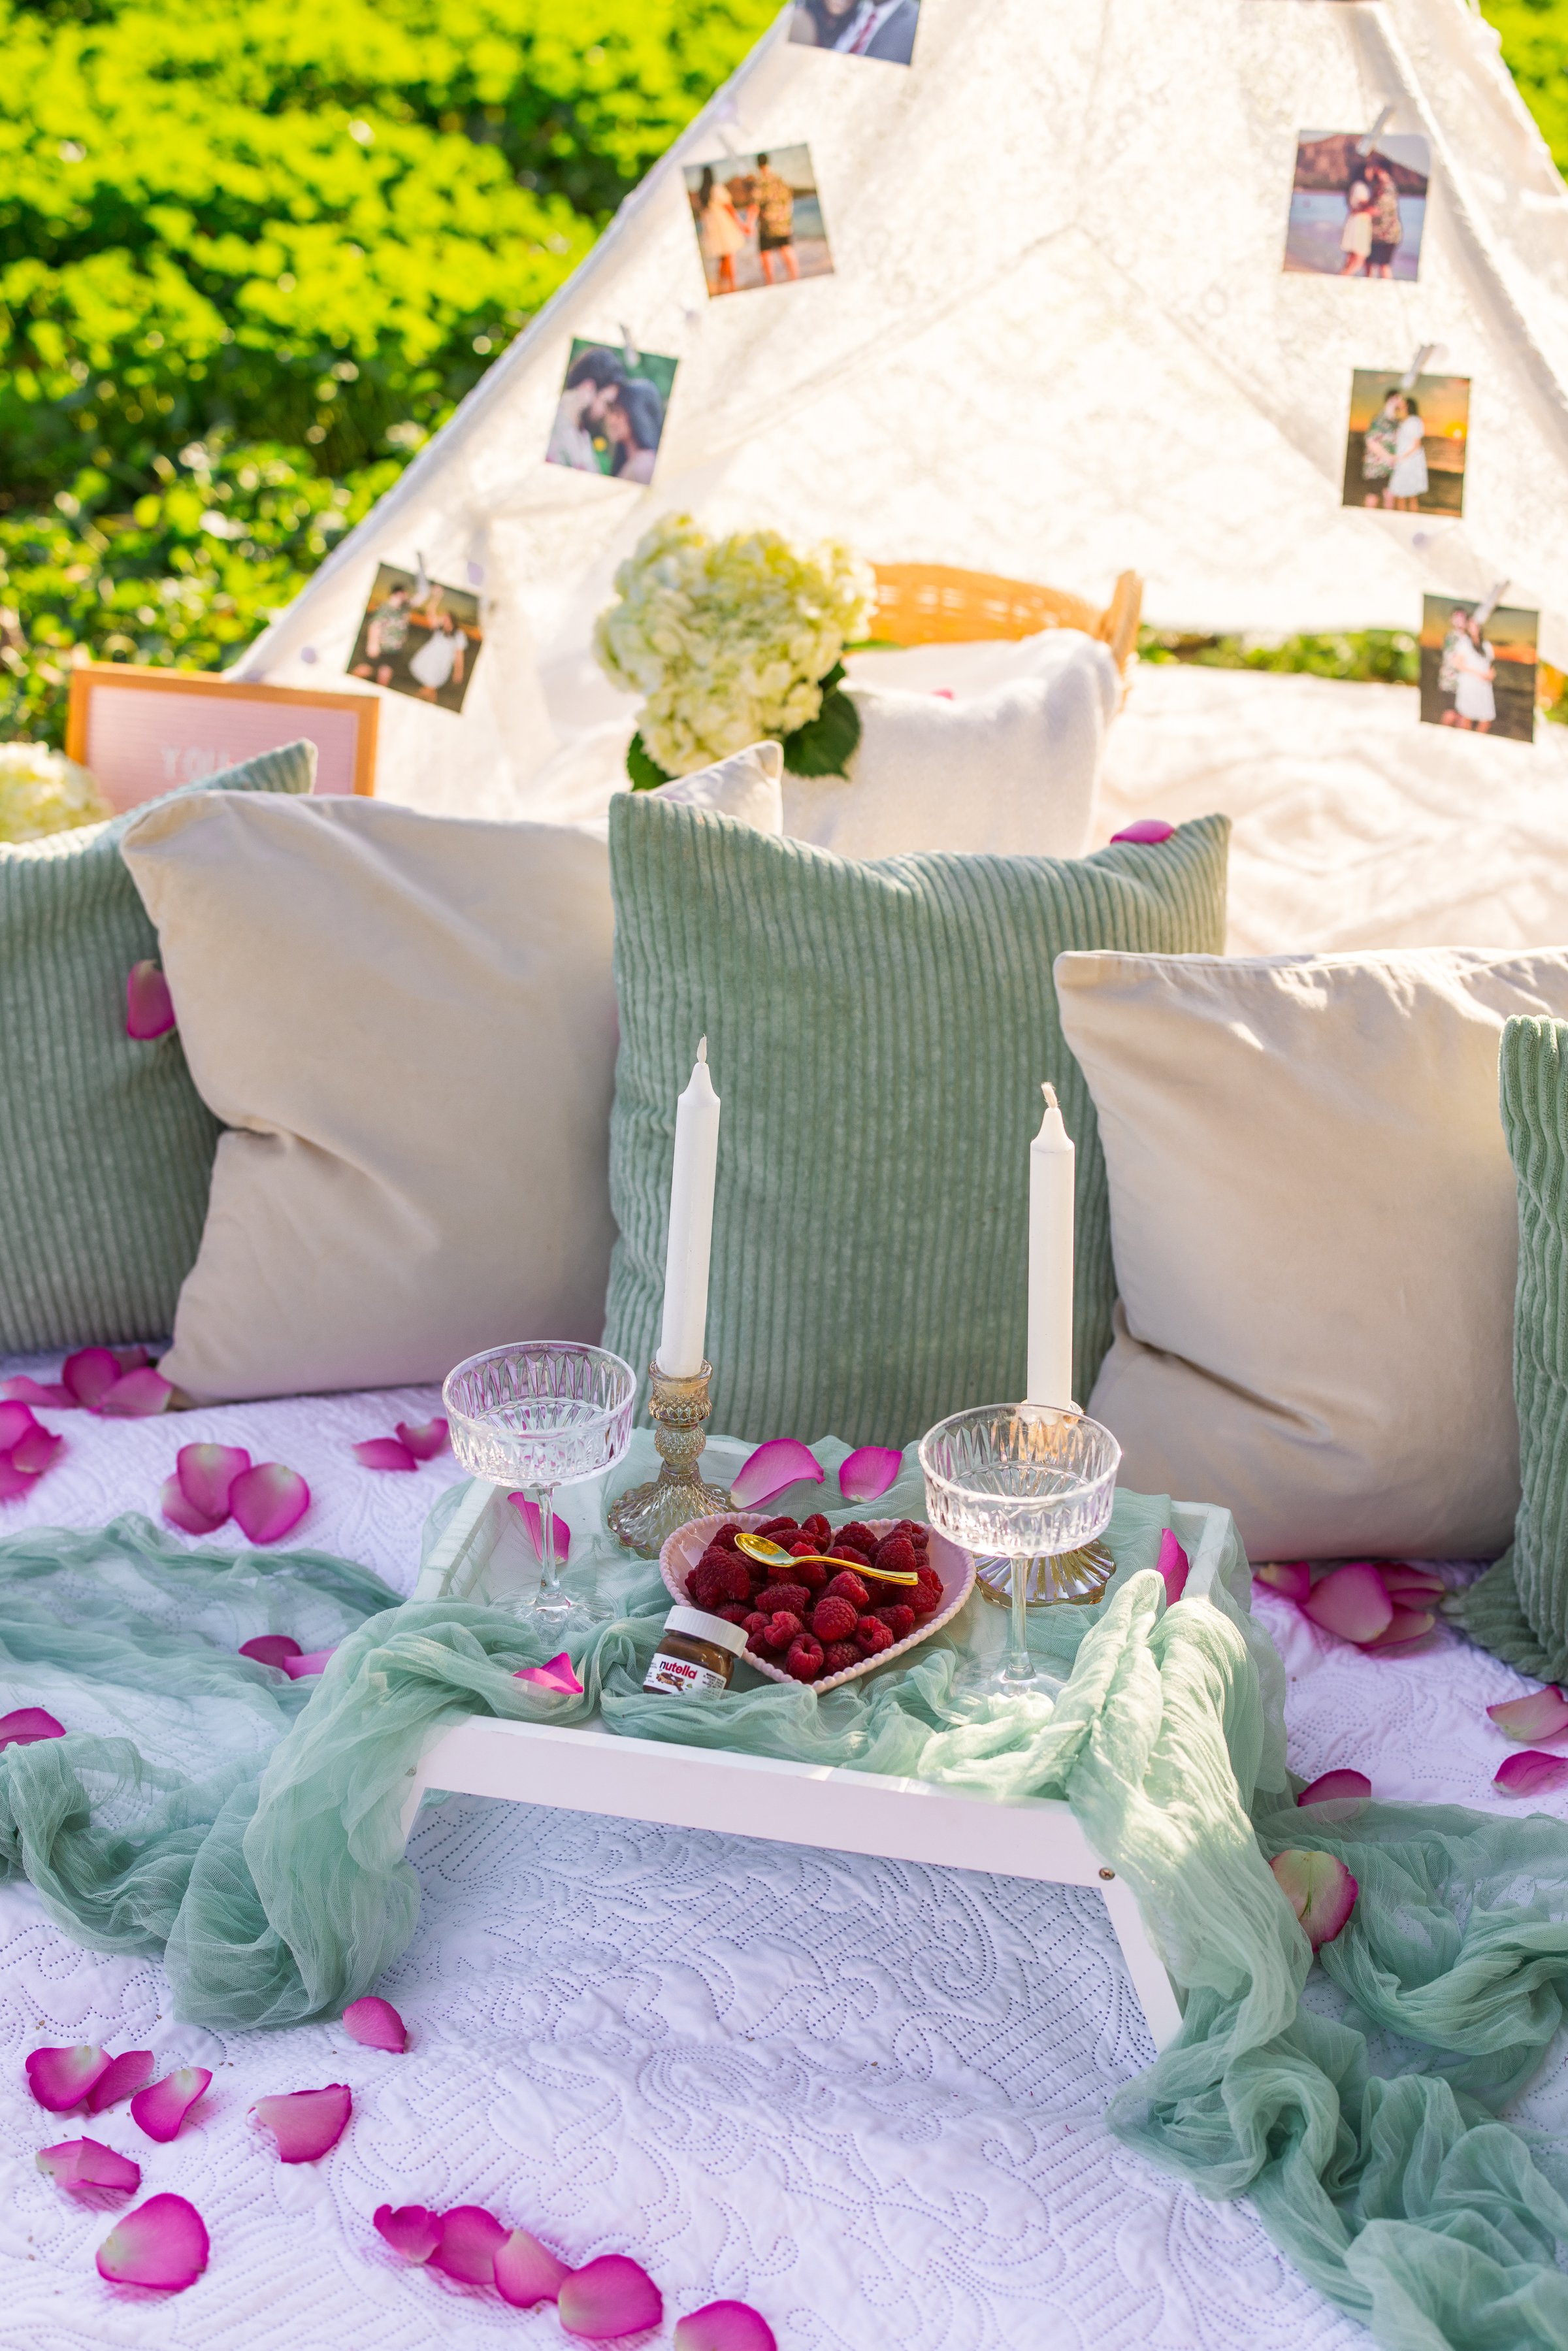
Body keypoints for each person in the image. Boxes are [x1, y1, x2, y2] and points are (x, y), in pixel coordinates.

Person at [546, 348, 625, 472]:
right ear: (588, 388)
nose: (605, 413)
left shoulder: (581, 433)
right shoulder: (549, 425)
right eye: (606, 403)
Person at [693, 165, 747, 296]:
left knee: (722, 259)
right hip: (723, 226)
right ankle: (731, 285)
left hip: (711, 228)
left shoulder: (702, 192)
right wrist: (740, 223)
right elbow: (729, 207)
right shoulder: (717, 188)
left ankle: (721, 284)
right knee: (729, 256)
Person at [603, 378, 664, 485]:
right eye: (611, 412)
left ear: (638, 416)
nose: (611, 420)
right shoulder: (632, 461)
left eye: (618, 413)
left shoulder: (643, 466)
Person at [751, 153, 800, 285]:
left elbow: (755, 205)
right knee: (786, 249)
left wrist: (749, 224)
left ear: (758, 164)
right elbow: (789, 199)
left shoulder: (760, 181)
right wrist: (787, 218)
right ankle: (795, 279)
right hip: (783, 222)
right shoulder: (779, 179)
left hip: (768, 225)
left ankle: (770, 283)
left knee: (766, 254)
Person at [1446, 611, 1496, 732]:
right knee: (1466, 718)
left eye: (1476, 624)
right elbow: (1458, 664)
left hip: (1484, 687)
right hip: (1469, 685)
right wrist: (1478, 674)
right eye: (1471, 625)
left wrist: (1491, 675)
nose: (1474, 627)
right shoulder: (1464, 643)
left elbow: (1490, 665)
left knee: (1486, 719)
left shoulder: (1486, 645)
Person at [353, 580, 411, 686]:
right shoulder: (385, 608)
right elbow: (375, 626)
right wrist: (372, 645)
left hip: (394, 651)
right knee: (366, 669)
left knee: (385, 676)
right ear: (398, 594)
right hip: (382, 647)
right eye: (405, 594)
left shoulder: (400, 610)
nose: (406, 597)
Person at [408, 607, 468, 704]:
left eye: (446, 618)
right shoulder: (439, 630)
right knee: (430, 688)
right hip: (428, 661)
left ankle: (419, 701)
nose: (444, 620)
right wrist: (436, 598)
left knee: (431, 688)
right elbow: (429, 612)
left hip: (441, 664)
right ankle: (423, 702)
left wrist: (458, 672)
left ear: (452, 620)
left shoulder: (458, 635)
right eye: (443, 618)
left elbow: (459, 655)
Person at [1386, 391, 1428, 510]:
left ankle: (1408, 522)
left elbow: (1417, 445)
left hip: (1409, 462)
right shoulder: (1407, 421)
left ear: (1409, 406)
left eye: (1404, 404)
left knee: (1403, 494)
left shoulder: (1414, 421)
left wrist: (1401, 458)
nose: (1402, 406)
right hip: (1406, 461)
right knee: (1407, 494)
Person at [1360, 389, 1399, 502]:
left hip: (1390, 468)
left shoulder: (1395, 422)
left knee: (1390, 497)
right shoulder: (1379, 419)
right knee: (1373, 497)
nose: (1401, 402)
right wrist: (1388, 457)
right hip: (1376, 467)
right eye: (1399, 399)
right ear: (1392, 399)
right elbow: (1370, 441)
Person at [1365, 162, 1403, 278]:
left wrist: (1358, 211)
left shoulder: (1387, 188)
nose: (1377, 174)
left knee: (1382, 265)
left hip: (1386, 234)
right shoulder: (1382, 187)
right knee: (1373, 264)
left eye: (1378, 171)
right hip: (1381, 234)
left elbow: (1377, 209)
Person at [1339, 178, 1372, 276]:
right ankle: (1340, 281)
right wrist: (1376, 207)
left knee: (1352, 261)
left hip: (1357, 224)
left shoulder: (1357, 185)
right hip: (1359, 226)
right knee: (1358, 261)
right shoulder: (1360, 186)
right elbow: (1363, 206)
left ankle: (1340, 281)